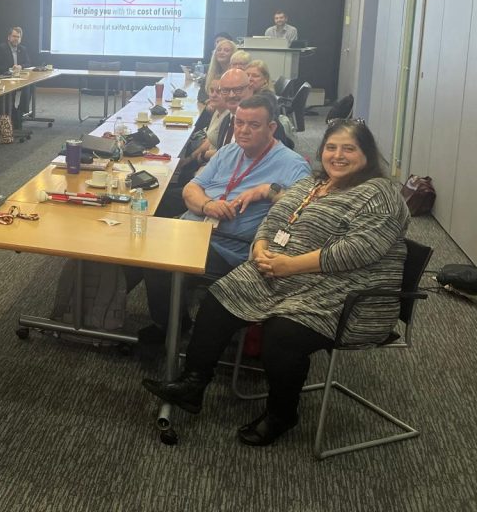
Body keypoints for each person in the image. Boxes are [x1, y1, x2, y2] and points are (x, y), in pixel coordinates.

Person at [143, 120, 409, 447]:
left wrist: (290, 264)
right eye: (331, 147)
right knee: (221, 296)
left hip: (347, 294)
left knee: (283, 333)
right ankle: (193, 384)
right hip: (286, 278)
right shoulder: (314, 184)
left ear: (366, 154)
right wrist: (260, 248)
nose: (338, 156)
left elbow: (358, 250)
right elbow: (274, 219)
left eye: (348, 149)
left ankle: (282, 414)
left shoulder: (379, 193)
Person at [139, 94, 312, 341]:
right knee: (135, 244)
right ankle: (114, 317)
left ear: (271, 127)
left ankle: (172, 330)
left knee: (156, 259)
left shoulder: (292, 164)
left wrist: (267, 190)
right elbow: (191, 190)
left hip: (231, 246)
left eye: (253, 125)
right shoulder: (229, 152)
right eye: (239, 123)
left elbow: (304, 213)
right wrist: (208, 205)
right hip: (194, 230)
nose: (243, 130)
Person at [0, 26, 34, 126]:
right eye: (14, 36)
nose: (16, 39)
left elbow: (28, 63)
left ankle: (20, 111)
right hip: (5, 77)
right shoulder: (2, 48)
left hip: (18, 78)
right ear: (9, 37)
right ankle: (11, 114)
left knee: (30, 85)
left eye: (18, 37)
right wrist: (10, 69)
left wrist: (20, 66)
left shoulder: (22, 49)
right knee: (11, 90)